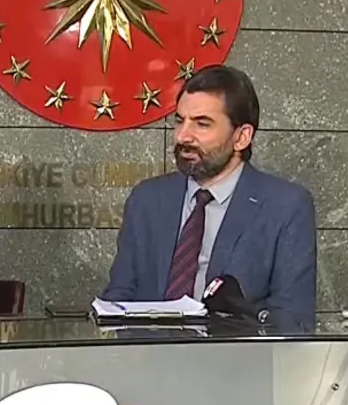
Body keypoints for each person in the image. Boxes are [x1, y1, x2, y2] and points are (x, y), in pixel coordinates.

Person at [102, 64, 316, 319]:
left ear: (241, 137)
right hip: (151, 345)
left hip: (236, 345)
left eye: (202, 124)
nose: (183, 136)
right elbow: (119, 298)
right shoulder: (147, 199)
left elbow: (293, 319)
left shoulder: (285, 206)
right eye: (179, 121)